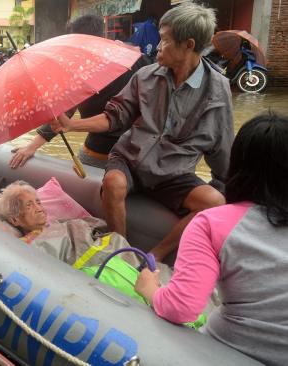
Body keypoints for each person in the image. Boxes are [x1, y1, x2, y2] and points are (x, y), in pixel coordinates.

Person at [51, 2, 234, 263]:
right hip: (130, 160)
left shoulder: (217, 90)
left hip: (174, 173)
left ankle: (154, 256)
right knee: (113, 183)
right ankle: (120, 251)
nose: (158, 47)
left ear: (189, 45)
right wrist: (71, 126)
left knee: (215, 202)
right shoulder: (145, 76)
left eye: (164, 40)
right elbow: (114, 117)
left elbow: (221, 145)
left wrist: (225, 187)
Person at [135, 112, 288, 366]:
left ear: (238, 163)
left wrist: (149, 288)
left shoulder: (211, 223)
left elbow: (181, 309)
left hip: (228, 349)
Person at [10, 14, 152, 170]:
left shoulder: (80, 70)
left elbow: (65, 113)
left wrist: (32, 146)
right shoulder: (136, 57)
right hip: (139, 151)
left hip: (101, 151)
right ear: (102, 35)